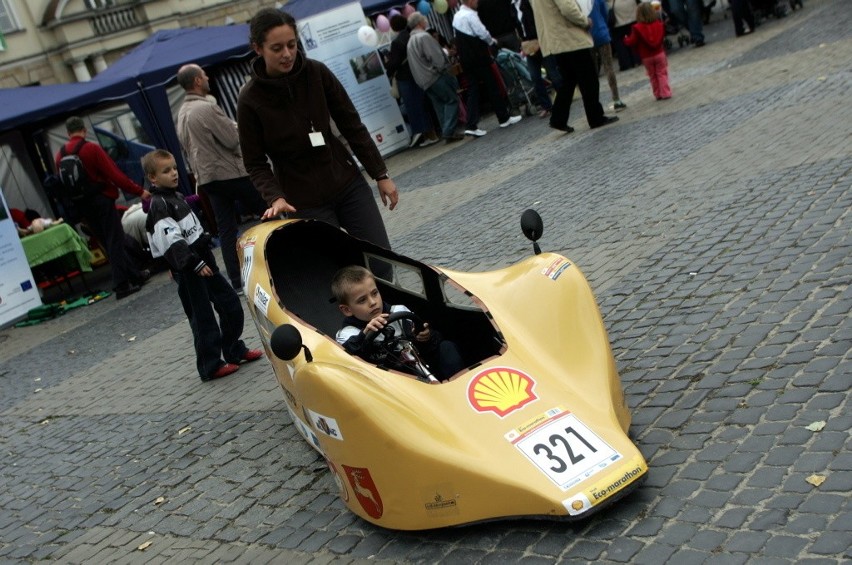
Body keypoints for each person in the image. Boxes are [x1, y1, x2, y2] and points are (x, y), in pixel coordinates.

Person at [237, 8, 397, 253]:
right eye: (277, 48)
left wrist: (380, 174)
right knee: (336, 272)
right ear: (258, 48)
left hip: (347, 183)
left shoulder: (316, 72)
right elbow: (255, 162)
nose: (287, 54)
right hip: (302, 202)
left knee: (381, 260)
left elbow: (351, 124)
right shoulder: (249, 100)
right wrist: (275, 197)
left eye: (292, 44)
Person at [143, 149, 262, 382]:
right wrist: (190, 262)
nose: (174, 174)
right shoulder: (159, 205)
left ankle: (233, 349)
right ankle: (210, 365)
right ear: (153, 178)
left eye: (175, 168)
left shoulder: (175, 197)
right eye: (166, 171)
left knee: (230, 304)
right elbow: (171, 240)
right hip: (190, 268)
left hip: (202, 259)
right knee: (202, 317)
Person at [176, 63, 267, 295]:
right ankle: (286, 255)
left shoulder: (182, 114)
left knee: (225, 229)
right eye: (204, 75)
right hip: (229, 172)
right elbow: (231, 138)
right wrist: (236, 126)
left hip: (207, 178)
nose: (208, 78)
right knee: (268, 207)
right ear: (197, 81)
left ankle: (236, 280)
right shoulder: (205, 108)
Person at [55, 116, 151, 300]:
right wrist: (139, 191)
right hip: (102, 201)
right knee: (115, 239)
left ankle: (135, 275)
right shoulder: (91, 148)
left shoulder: (59, 155)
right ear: (83, 129)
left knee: (107, 242)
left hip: (82, 206)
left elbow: (62, 185)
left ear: (68, 133)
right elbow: (115, 175)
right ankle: (121, 285)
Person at [332, 266, 464, 381]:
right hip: (391, 380)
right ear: (347, 310)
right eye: (362, 300)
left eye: (374, 293)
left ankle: (459, 385)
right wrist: (365, 335)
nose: (372, 302)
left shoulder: (399, 310)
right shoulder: (348, 334)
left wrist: (425, 337)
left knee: (447, 347)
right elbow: (349, 362)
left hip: (421, 366)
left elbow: (431, 343)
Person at [530, 0, 619, 132]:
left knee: (569, 81)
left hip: (555, 40)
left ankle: (558, 119)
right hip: (570, 38)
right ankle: (595, 117)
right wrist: (584, 21)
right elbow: (567, 7)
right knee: (589, 80)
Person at [452, 0, 522, 137]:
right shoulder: (470, 15)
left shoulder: (457, 17)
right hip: (478, 56)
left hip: (466, 59)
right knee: (492, 86)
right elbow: (482, 33)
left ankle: (471, 124)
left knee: (473, 90)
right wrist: (493, 42)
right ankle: (504, 118)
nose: (478, 2)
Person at [407, 13, 466, 144]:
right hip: (435, 76)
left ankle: (448, 131)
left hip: (424, 81)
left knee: (440, 105)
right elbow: (436, 57)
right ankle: (448, 131)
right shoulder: (423, 37)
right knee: (451, 100)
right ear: (419, 23)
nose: (425, 20)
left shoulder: (410, 41)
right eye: (423, 19)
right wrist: (444, 69)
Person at [386, 15, 441, 149]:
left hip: (405, 77)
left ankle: (427, 135)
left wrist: (388, 68)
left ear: (393, 27)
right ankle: (434, 132)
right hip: (419, 73)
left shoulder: (397, 42)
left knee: (414, 107)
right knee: (424, 104)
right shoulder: (412, 35)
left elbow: (394, 63)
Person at [516, 0, 563, 118]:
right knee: (534, 76)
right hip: (528, 45)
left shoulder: (530, 3)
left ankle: (564, 99)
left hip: (541, 41)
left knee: (552, 72)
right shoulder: (512, 7)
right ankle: (547, 106)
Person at [624, 2, 672, 100]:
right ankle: (665, 92)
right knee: (662, 73)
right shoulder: (659, 25)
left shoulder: (636, 28)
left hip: (646, 56)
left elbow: (632, 41)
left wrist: (626, 39)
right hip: (659, 53)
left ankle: (657, 94)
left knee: (652, 76)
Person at [590, 0, 627, 111]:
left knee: (592, 72)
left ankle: (594, 104)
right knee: (609, 67)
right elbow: (605, 13)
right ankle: (616, 99)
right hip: (602, 33)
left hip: (588, 37)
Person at [609, 0, 643, 71]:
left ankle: (626, 63)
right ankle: (637, 59)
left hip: (618, 19)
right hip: (632, 14)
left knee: (620, 43)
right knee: (634, 39)